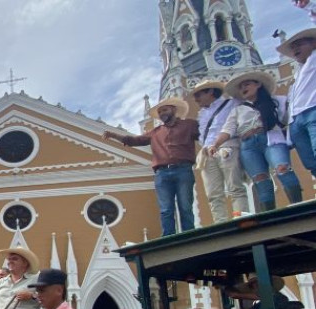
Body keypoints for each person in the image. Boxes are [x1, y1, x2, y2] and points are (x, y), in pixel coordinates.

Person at [104, 98, 199, 236]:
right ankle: (169, 238)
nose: (162, 113)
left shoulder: (189, 125)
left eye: (164, 110)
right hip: (162, 173)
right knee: (166, 209)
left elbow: (207, 134)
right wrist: (114, 135)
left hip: (183, 169)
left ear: (173, 109)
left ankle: (190, 236)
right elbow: (134, 140)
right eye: (160, 112)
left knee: (185, 206)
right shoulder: (155, 132)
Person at [210, 71, 303, 211]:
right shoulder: (238, 110)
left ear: (258, 84)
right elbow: (227, 130)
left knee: (282, 168)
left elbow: (288, 119)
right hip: (248, 146)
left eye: (247, 84)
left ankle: (298, 206)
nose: (243, 89)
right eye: (240, 87)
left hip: (272, 139)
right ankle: (268, 213)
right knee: (260, 179)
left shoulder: (277, 101)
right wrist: (215, 144)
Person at [192, 79, 248, 222]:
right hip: (206, 152)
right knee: (213, 194)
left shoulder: (232, 103)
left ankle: (241, 219)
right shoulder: (202, 114)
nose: (195, 99)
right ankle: (221, 224)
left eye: (198, 95)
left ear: (210, 91)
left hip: (227, 146)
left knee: (235, 187)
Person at [280, 27, 316, 182]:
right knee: (309, 161)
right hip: (296, 121)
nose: (295, 49)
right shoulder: (298, 73)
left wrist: (308, 6)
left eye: (299, 45)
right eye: (293, 47)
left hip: (312, 112)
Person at [193, 275, 297, 309]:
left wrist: (222, 286)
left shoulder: (275, 297)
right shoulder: (262, 304)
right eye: (253, 286)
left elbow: (234, 295)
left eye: (258, 284)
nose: (255, 287)